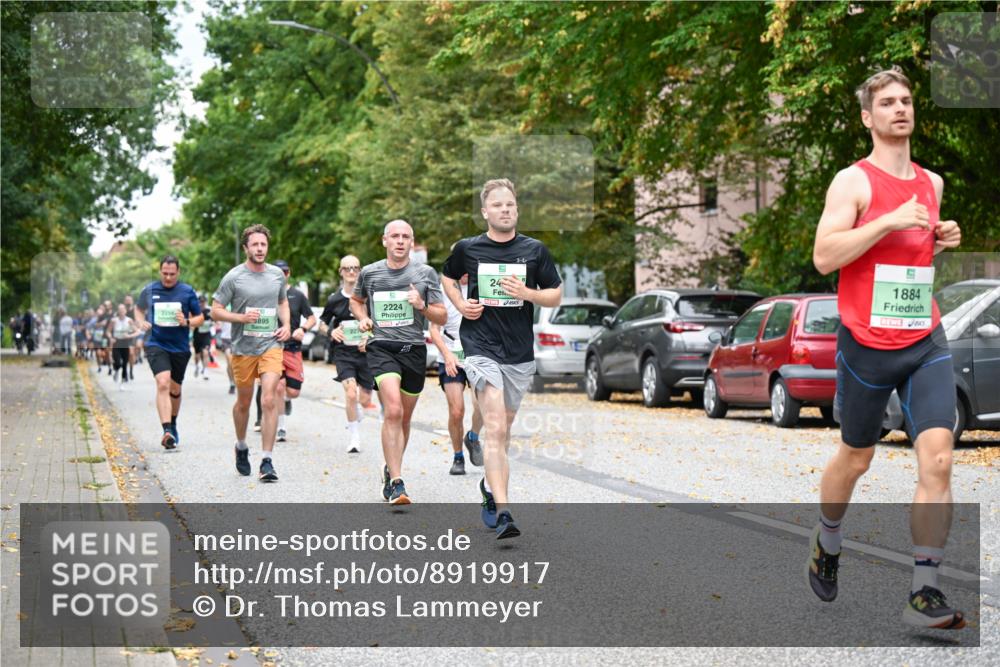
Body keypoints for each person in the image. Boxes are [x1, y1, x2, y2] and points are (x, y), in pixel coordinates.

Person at [808, 68, 964, 629]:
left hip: (924, 338)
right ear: (867, 118)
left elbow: (908, 261)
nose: (900, 108)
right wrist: (889, 220)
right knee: (856, 458)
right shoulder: (853, 183)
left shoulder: (933, 183)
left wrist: (939, 240)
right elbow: (826, 257)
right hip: (866, 345)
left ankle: (924, 591)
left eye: (906, 100)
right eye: (887, 103)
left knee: (939, 458)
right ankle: (827, 539)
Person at [442, 178, 563, 539]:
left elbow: (555, 294)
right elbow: (449, 278)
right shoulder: (468, 248)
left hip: (519, 353)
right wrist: (461, 303)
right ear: (485, 212)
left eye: (510, 205)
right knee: (495, 426)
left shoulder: (535, 251)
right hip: (479, 345)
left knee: (503, 430)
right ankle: (505, 510)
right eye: (497, 205)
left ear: (517, 209)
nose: (505, 210)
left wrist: (528, 293)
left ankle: (489, 489)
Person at [351, 220, 446, 504]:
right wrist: (363, 317)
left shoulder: (425, 273)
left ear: (412, 242)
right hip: (382, 348)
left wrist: (422, 306)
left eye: (406, 237)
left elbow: (441, 316)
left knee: (404, 418)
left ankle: (390, 468)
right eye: (395, 236)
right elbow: (356, 301)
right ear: (385, 241)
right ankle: (397, 481)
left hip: (414, 350)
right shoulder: (370, 273)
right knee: (392, 410)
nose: (400, 241)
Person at [211, 224, 290, 483]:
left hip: (271, 345)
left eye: (263, 244)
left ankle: (267, 460)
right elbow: (216, 310)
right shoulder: (234, 277)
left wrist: (287, 325)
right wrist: (240, 317)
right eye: (254, 245)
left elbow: (282, 301)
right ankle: (242, 445)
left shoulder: (277, 275)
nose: (259, 249)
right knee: (244, 402)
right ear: (246, 248)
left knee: (269, 399)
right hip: (243, 347)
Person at [135, 256, 204, 449]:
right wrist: (141, 321)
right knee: (163, 383)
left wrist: (187, 322)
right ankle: (166, 430)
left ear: (178, 272)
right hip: (155, 343)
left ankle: (173, 423)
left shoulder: (187, 291)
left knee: (175, 389)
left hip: (180, 347)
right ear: (160, 271)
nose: (167, 277)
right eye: (164, 273)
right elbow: (138, 310)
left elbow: (199, 318)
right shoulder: (149, 290)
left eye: (172, 274)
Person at [429, 268, 484, 475]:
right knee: (457, 410)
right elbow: (434, 329)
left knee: (482, 406)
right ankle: (458, 456)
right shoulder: (441, 291)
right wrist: (447, 354)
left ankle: (473, 436)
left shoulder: (480, 288)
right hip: (450, 354)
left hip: (477, 354)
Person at [320, 254, 376, 454]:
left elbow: (377, 323)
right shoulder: (334, 299)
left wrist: (369, 337)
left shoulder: (368, 298)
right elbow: (322, 323)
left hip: (366, 352)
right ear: (341, 272)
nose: (351, 271)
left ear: (360, 271)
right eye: (347, 268)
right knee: (351, 393)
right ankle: (354, 437)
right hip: (343, 353)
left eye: (355, 268)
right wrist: (330, 332)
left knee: (365, 398)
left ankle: (357, 412)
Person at [272, 259, 315, 442]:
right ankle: (281, 427)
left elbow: (312, 318)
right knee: (279, 387)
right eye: (278, 272)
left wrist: (302, 329)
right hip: (273, 348)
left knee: (294, 392)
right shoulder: (267, 295)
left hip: (293, 348)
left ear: (289, 273)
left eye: (285, 271)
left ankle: (287, 401)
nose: (282, 275)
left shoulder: (297, 295)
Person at [108, 303, 139, 390]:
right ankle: (117, 370)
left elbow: (137, 332)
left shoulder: (129, 320)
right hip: (117, 342)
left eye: (123, 310)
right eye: (120, 310)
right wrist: (111, 337)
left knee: (125, 363)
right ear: (118, 311)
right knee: (118, 362)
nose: (121, 311)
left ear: (125, 311)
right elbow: (108, 331)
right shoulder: (114, 321)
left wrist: (129, 336)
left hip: (125, 342)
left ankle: (122, 383)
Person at [192, 295, 213, 379]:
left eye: (203, 302)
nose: (202, 303)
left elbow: (215, 320)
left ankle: (205, 370)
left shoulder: (209, 310)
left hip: (206, 335)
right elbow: (191, 323)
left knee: (206, 352)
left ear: (206, 302)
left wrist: (214, 323)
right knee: (197, 355)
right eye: (200, 302)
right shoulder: (195, 311)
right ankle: (197, 366)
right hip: (197, 335)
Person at [216, 311, 236, 394]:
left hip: (236, 339)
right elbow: (217, 320)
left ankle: (235, 381)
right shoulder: (224, 310)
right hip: (226, 339)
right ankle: (232, 383)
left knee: (234, 364)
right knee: (230, 361)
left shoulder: (239, 310)